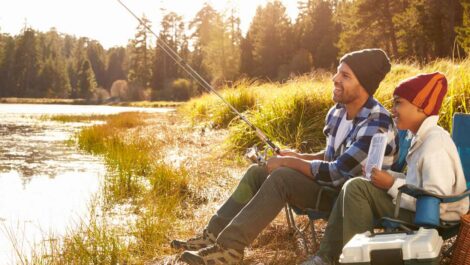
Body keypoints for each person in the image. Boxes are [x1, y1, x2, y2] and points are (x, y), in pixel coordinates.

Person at [172, 48, 396, 265]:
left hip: (346, 200)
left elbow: (338, 173)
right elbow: (330, 157)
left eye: (345, 75)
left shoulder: (377, 122)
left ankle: (228, 250)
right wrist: (299, 156)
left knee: (282, 177)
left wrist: (289, 162)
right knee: (257, 172)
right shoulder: (338, 111)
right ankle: (211, 235)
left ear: (364, 85)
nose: (335, 78)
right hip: (328, 187)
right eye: (338, 71)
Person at [302, 72, 470, 265]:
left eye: (399, 103)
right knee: (355, 185)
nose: (393, 109)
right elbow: (418, 184)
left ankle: (351, 259)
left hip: (435, 218)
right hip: (422, 208)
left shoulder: (435, 144)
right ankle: (328, 256)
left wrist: (391, 184)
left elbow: (434, 200)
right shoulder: (422, 137)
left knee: (357, 189)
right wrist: (387, 176)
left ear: (421, 106)